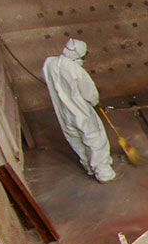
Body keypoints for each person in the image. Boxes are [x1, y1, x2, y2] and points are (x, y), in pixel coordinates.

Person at [42, 39, 115, 182]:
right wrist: (95, 101)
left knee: (75, 138)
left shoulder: (50, 63)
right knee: (94, 139)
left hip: (62, 111)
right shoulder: (75, 70)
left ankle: (89, 167)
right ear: (79, 54)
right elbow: (89, 92)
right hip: (79, 111)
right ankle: (104, 174)